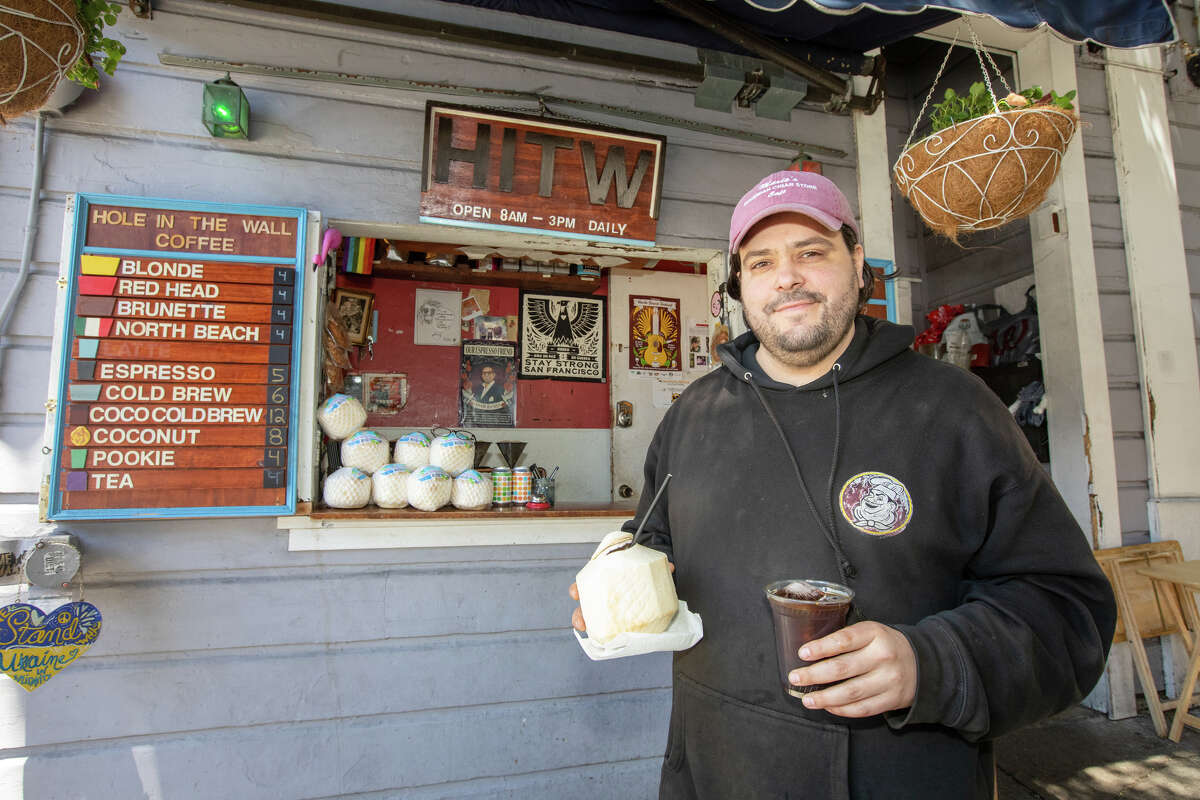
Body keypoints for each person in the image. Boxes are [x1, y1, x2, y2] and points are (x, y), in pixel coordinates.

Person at [569, 170, 1116, 799]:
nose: (787, 277)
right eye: (761, 261)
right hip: (716, 771)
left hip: (901, 774)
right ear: (739, 286)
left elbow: (1069, 614)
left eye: (811, 252)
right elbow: (653, 542)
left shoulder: (954, 410)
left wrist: (930, 663)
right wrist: (615, 584)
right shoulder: (693, 414)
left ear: (858, 265)